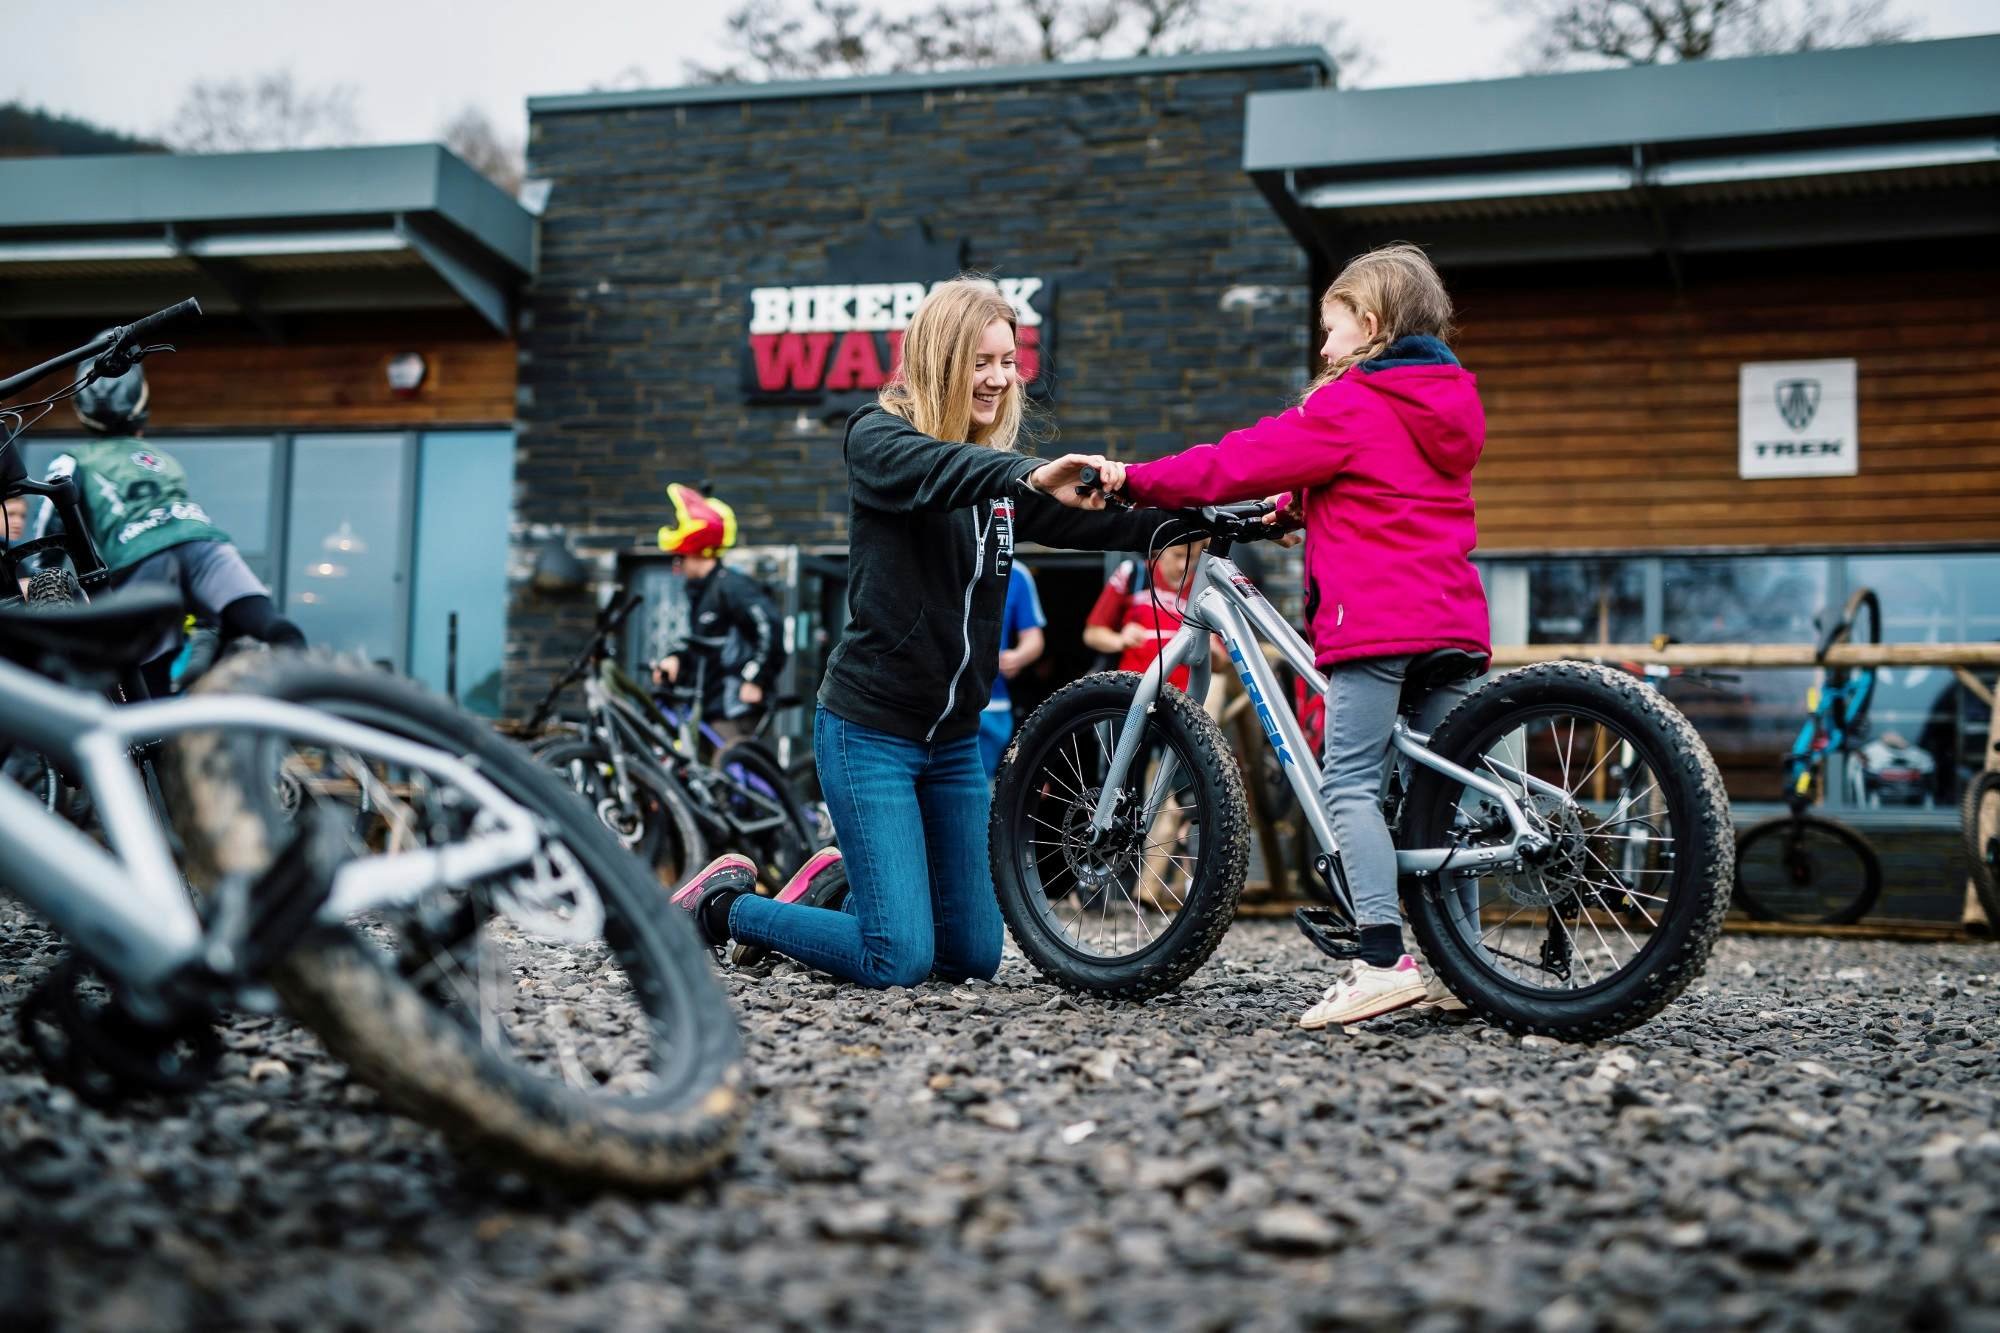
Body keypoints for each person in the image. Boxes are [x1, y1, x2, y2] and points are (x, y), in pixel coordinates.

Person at [670, 276, 1173, 989]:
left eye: (1008, 360)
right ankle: (725, 906)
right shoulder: (878, 440)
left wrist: (1202, 514)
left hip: (954, 745)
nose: (999, 377)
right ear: (940, 358)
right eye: (981, 361)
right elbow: (942, 469)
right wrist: (1028, 474)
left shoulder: (994, 482)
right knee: (895, 957)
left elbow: (1098, 518)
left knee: (969, 955)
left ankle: (839, 886)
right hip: (868, 732)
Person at [1095, 242, 1490, 1029]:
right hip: (1452, 618)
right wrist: (1291, 511)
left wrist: (1135, 478)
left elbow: (1237, 460)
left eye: (1331, 328)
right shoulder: (1444, 404)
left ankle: (1379, 958)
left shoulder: (1351, 400)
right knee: (1439, 799)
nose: (1322, 346)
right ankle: (1463, 968)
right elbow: (1388, 486)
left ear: (1370, 325)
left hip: (1377, 622)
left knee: (1348, 782)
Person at [29, 346, 303, 695]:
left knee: (147, 679)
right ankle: (316, 719)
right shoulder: (161, 458)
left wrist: (39, 584)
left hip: (141, 555)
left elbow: (50, 537)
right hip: (202, 542)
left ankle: (167, 731)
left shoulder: (73, 460)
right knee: (277, 630)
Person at [650, 484, 787, 744]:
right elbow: (703, 643)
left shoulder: (731, 586)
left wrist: (756, 679)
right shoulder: (702, 593)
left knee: (727, 772)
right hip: (708, 703)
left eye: (680, 558)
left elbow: (770, 625)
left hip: (734, 706)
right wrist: (676, 659)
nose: (676, 567)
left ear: (697, 553)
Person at [1082, 539, 1206, 693]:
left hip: (1182, 699)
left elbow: (1221, 664)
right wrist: (1120, 640)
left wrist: (1208, 647)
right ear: (1160, 549)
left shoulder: (1204, 589)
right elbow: (1092, 634)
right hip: (1129, 690)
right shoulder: (1133, 574)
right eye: (1177, 555)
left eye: (1191, 557)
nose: (1183, 565)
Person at [978, 562, 1045, 778]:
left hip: (993, 705)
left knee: (986, 791)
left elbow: (1033, 639)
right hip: (937, 702)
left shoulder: (1017, 572)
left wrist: (1017, 657)